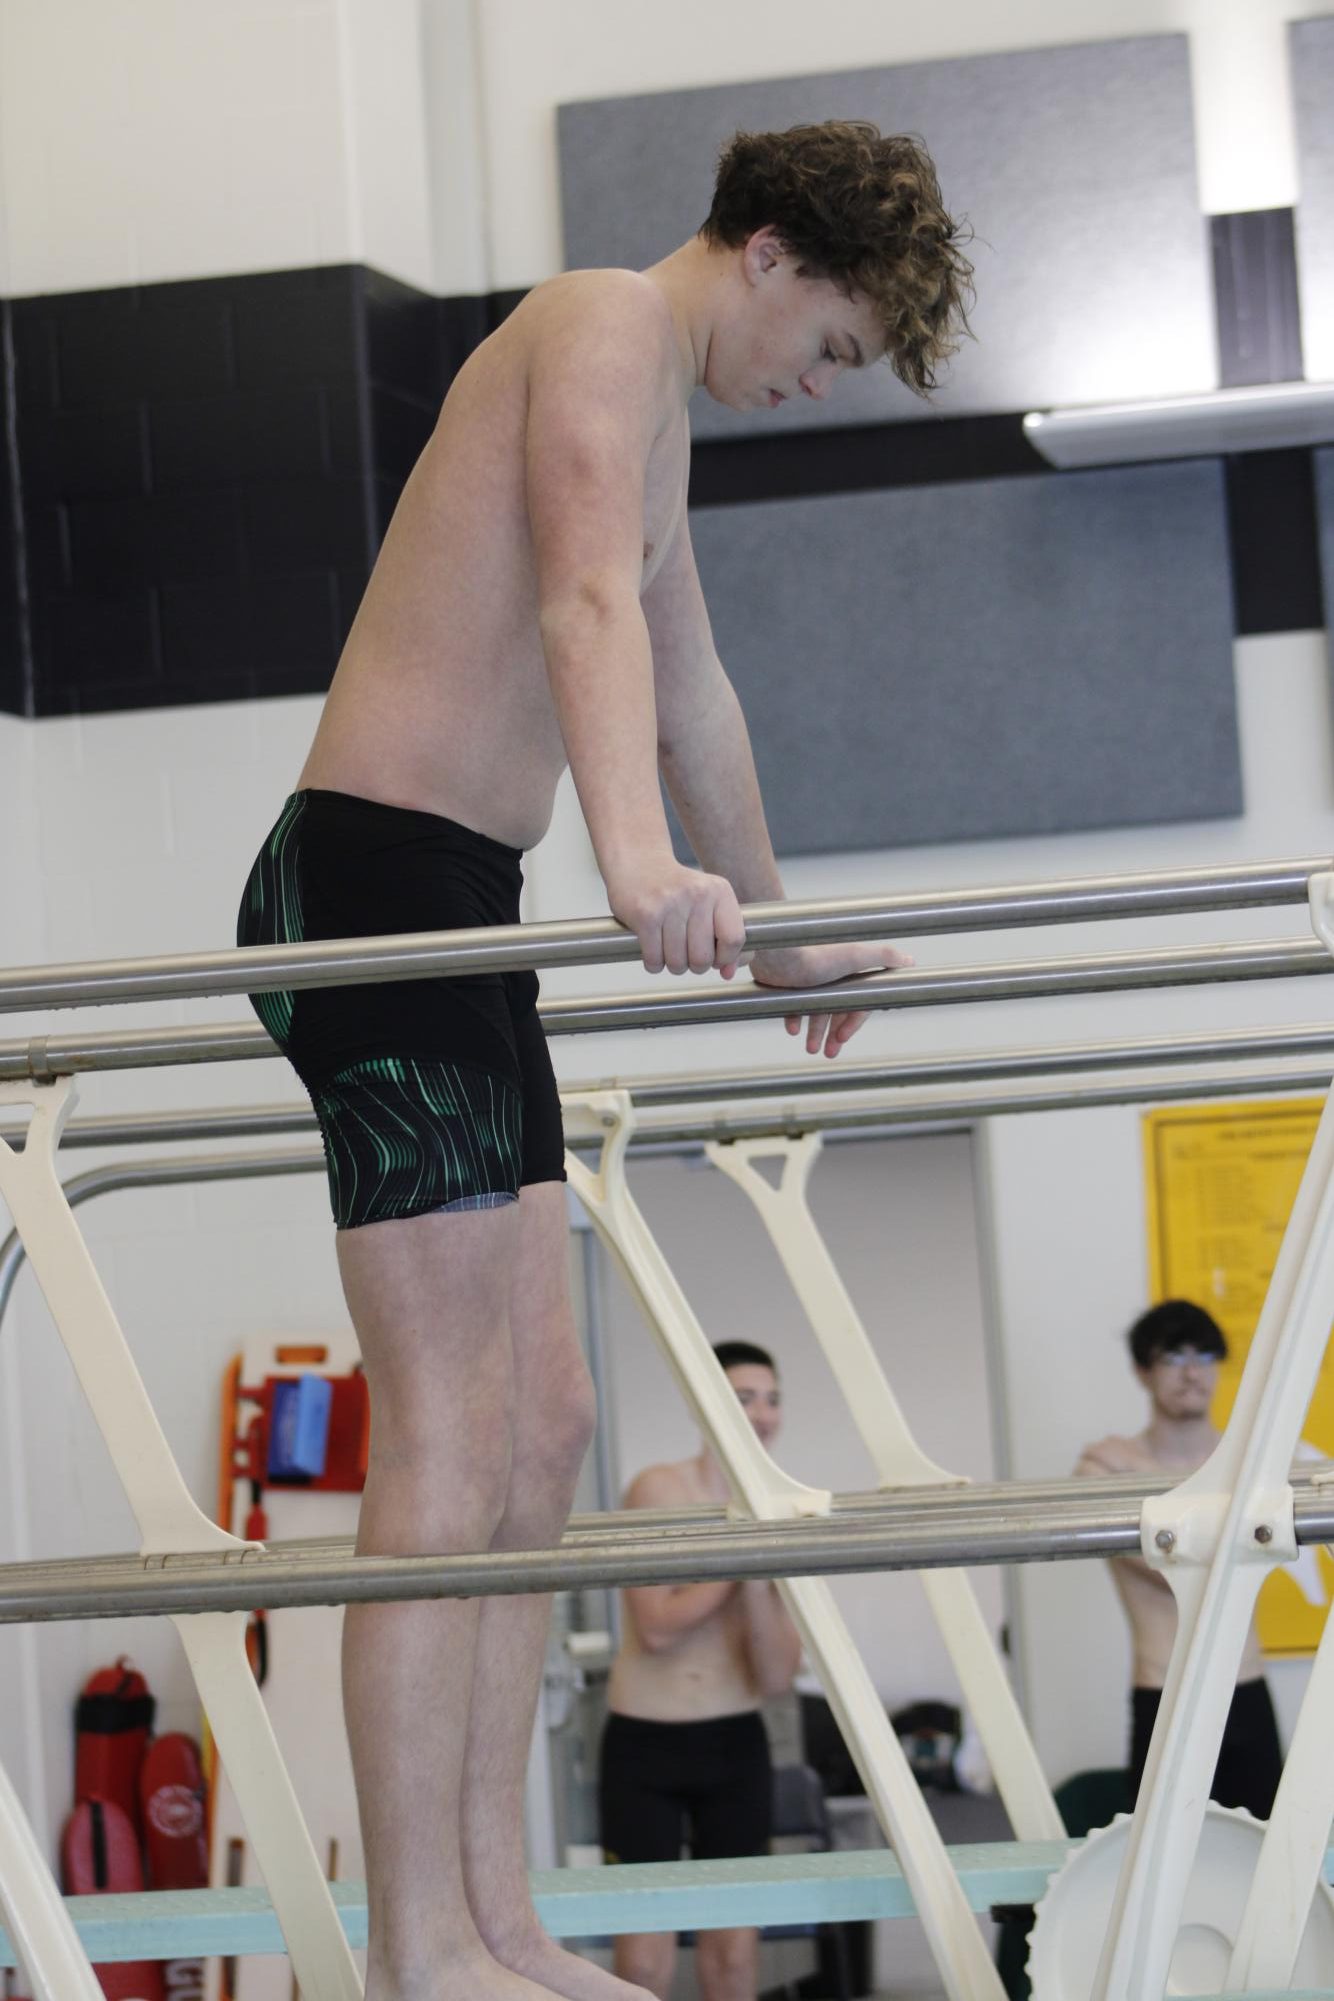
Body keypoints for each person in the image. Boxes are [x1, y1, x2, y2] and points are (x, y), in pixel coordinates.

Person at [237, 121, 971, 2001]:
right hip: (375, 888)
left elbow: (691, 681)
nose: (816, 379)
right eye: (830, 341)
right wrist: (637, 867)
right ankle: (422, 1950)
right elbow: (575, 603)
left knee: (542, 1421)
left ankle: (497, 1917)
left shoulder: (667, 418)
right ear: (770, 247)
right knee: (451, 1430)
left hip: (453, 901)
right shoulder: (595, 328)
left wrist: (777, 929)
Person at [600, 1341, 803, 2001]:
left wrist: (758, 1565)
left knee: (734, 1962)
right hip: (647, 1740)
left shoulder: (782, 1509)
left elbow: (775, 1675)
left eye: (771, 1397)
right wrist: (744, 1550)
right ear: (704, 1401)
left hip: (734, 1740)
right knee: (643, 1964)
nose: (762, 1411)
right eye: (744, 1395)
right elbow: (657, 1625)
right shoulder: (660, 1487)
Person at [1076, 1298, 1282, 1817]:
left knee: (1263, 1865)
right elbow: (1173, 1572)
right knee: (1161, 1872)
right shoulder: (1105, 1468)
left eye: (1205, 1356)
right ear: (1143, 1371)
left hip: (1246, 1689)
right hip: (1164, 1690)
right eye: (1172, 1358)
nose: (1192, 1373)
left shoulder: (1253, 1461)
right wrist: (1239, 1532)